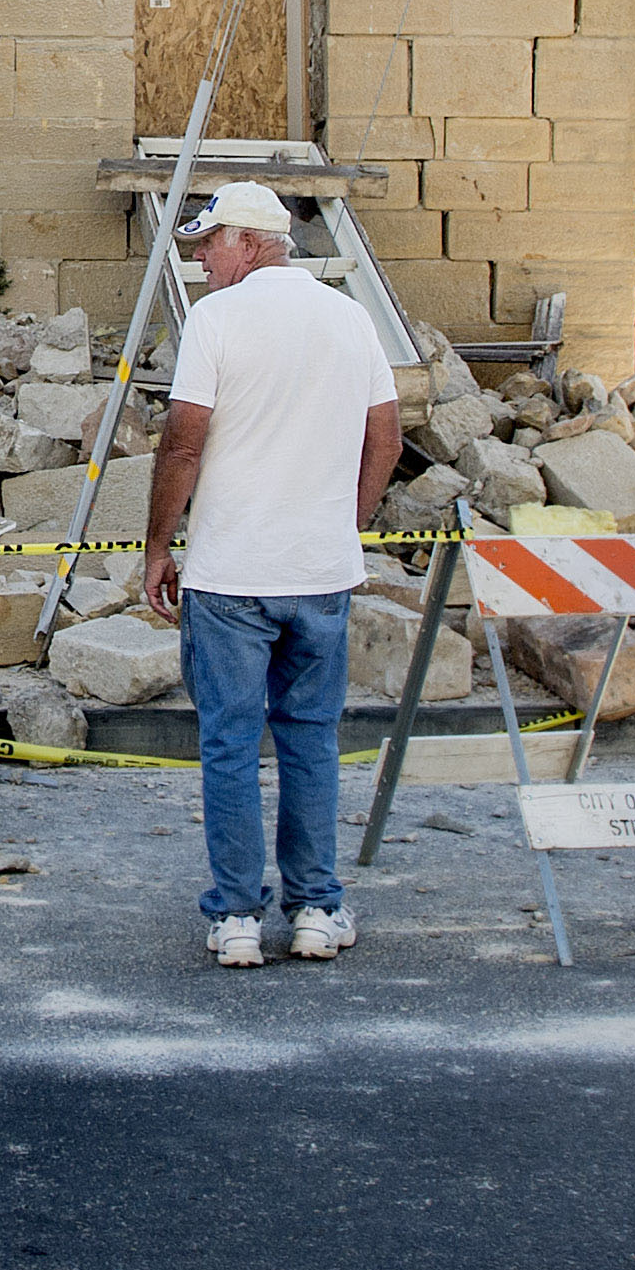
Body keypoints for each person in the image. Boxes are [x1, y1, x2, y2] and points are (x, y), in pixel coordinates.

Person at [141, 181, 403, 967]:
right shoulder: (349, 316)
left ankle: (236, 917)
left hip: (231, 572)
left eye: (208, 242)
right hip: (319, 571)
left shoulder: (218, 319)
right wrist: (344, 522)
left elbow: (183, 444)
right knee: (311, 740)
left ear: (249, 242)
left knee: (227, 744)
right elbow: (384, 440)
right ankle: (317, 907)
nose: (199, 256)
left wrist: (158, 546)